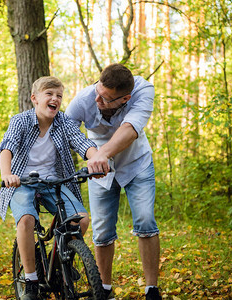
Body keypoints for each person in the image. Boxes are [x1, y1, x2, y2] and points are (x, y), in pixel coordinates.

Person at [0, 76, 102, 300]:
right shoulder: (21, 121)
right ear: (34, 99)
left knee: (80, 220)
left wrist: (95, 160)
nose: (55, 99)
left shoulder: (63, 122)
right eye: (49, 94)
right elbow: (7, 147)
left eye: (59, 96)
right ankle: (31, 279)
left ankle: (62, 261)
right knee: (26, 219)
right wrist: (7, 174)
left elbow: (82, 143)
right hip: (22, 181)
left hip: (53, 181)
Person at [65, 63, 162, 300]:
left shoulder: (143, 90)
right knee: (102, 230)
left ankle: (152, 289)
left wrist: (101, 154)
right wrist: (92, 154)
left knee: (145, 221)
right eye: (98, 91)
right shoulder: (84, 98)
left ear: (124, 99)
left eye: (106, 98)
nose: (97, 99)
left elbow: (129, 129)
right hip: (98, 170)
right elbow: (65, 130)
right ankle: (104, 290)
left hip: (136, 165)